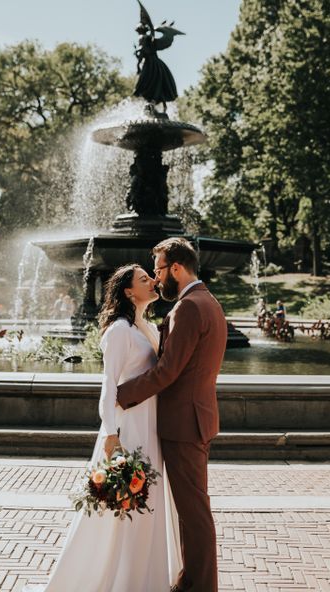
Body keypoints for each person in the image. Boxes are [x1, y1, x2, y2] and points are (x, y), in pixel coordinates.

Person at [23, 263, 181, 592]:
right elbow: (108, 386)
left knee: (146, 501)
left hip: (150, 425)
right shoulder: (120, 330)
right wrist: (111, 433)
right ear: (128, 291)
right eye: (143, 279)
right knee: (123, 502)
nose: (152, 281)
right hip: (127, 428)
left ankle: (144, 577)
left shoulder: (146, 327)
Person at [117, 237, 227, 592]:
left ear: (176, 268)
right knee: (192, 510)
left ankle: (200, 585)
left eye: (160, 270)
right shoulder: (208, 301)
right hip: (195, 419)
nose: (157, 277)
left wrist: (122, 395)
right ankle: (189, 580)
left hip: (184, 424)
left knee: (193, 514)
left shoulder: (188, 308)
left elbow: (168, 371)